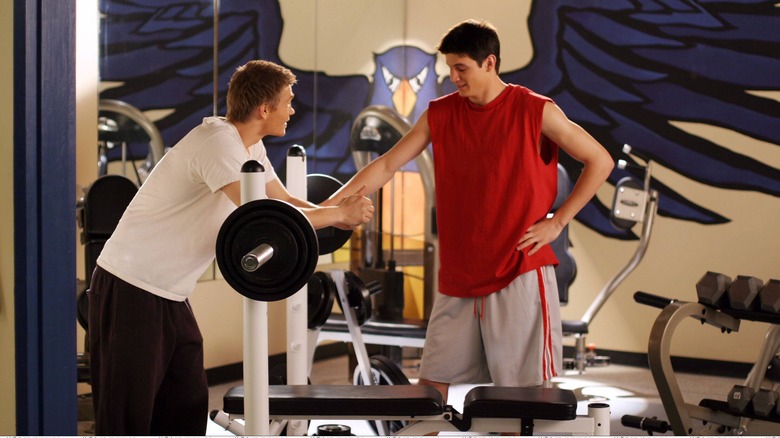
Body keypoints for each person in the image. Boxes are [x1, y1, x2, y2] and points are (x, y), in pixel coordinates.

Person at [324, 20, 614, 403]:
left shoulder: (536, 110)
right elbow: (387, 165)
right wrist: (325, 211)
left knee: (516, 397)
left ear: (489, 62)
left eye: (461, 68)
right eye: (450, 69)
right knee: (431, 386)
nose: (453, 78)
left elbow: (600, 160)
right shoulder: (440, 114)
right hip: (459, 272)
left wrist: (557, 222)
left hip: (518, 267)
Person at [88, 60, 374, 435]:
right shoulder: (217, 142)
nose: (292, 110)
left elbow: (284, 200)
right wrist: (338, 215)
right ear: (264, 109)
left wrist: (337, 213)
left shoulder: (250, 148)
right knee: (128, 418)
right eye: (288, 102)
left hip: (172, 293)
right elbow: (260, 214)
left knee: (185, 407)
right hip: (130, 286)